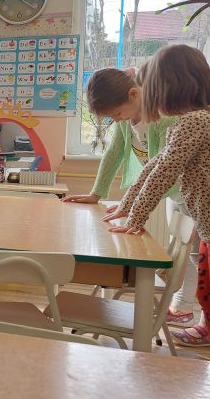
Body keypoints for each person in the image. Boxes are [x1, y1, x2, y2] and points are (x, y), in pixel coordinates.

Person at [61, 67, 197, 323]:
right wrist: (97, 193)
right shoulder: (127, 121)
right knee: (186, 249)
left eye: (117, 113)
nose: (117, 120)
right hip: (174, 194)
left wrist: (134, 209)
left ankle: (188, 310)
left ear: (134, 94)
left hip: (192, 191)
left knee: (196, 254)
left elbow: (162, 171)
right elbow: (113, 153)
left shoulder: (165, 119)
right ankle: (182, 307)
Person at [103, 44, 210, 347]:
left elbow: (164, 172)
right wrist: (127, 206)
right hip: (206, 222)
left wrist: (136, 217)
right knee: (205, 285)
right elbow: (155, 165)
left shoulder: (195, 121)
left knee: (206, 285)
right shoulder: (190, 121)